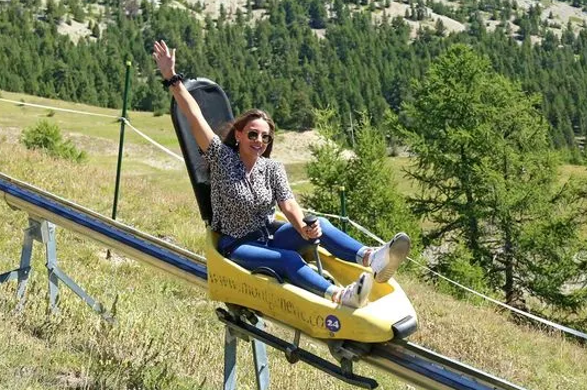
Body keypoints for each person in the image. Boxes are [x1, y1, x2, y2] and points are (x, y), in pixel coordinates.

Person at [153, 40, 410, 308]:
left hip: (270, 235)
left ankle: (372, 258)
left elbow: (288, 204)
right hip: (237, 245)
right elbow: (195, 117)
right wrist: (172, 78)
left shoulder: (272, 168)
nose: (259, 141)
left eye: (265, 137)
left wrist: (303, 227)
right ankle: (340, 296)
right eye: (253, 134)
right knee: (289, 260)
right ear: (239, 135)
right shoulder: (221, 158)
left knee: (323, 225)